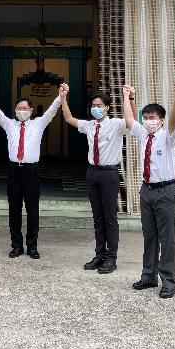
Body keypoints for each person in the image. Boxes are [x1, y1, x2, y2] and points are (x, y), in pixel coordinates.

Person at [0, 84, 65, 259]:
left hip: (31, 172)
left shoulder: (39, 124)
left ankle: (32, 246)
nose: (22, 111)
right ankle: (16, 246)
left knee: (33, 210)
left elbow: (51, 111)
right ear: (15, 110)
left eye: (25, 108)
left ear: (31, 110)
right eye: (19, 108)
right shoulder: (9, 124)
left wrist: (60, 96)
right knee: (14, 210)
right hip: (13, 171)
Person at [122, 84, 175, 299]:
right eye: (145, 117)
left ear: (162, 120)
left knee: (168, 238)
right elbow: (129, 120)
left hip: (166, 190)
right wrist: (127, 97)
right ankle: (148, 276)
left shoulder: (168, 136)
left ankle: (168, 280)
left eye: (153, 117)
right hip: (147, 190)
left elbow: (174, 119)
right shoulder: (143, 135)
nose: (148, 120)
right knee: (149, 236)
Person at [61, 86, 125, 274]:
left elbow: (133, 121)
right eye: (93, 105)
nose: (95, 108)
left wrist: (129, 98)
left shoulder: (116, 124)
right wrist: (63, 98)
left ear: (107, 107)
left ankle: (111, 257)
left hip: (109, 174)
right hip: (92, 173)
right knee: (97, 217)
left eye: (99, 105)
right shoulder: (90, 125)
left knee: (109, 217)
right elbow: (69, 119)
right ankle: (100, 253)